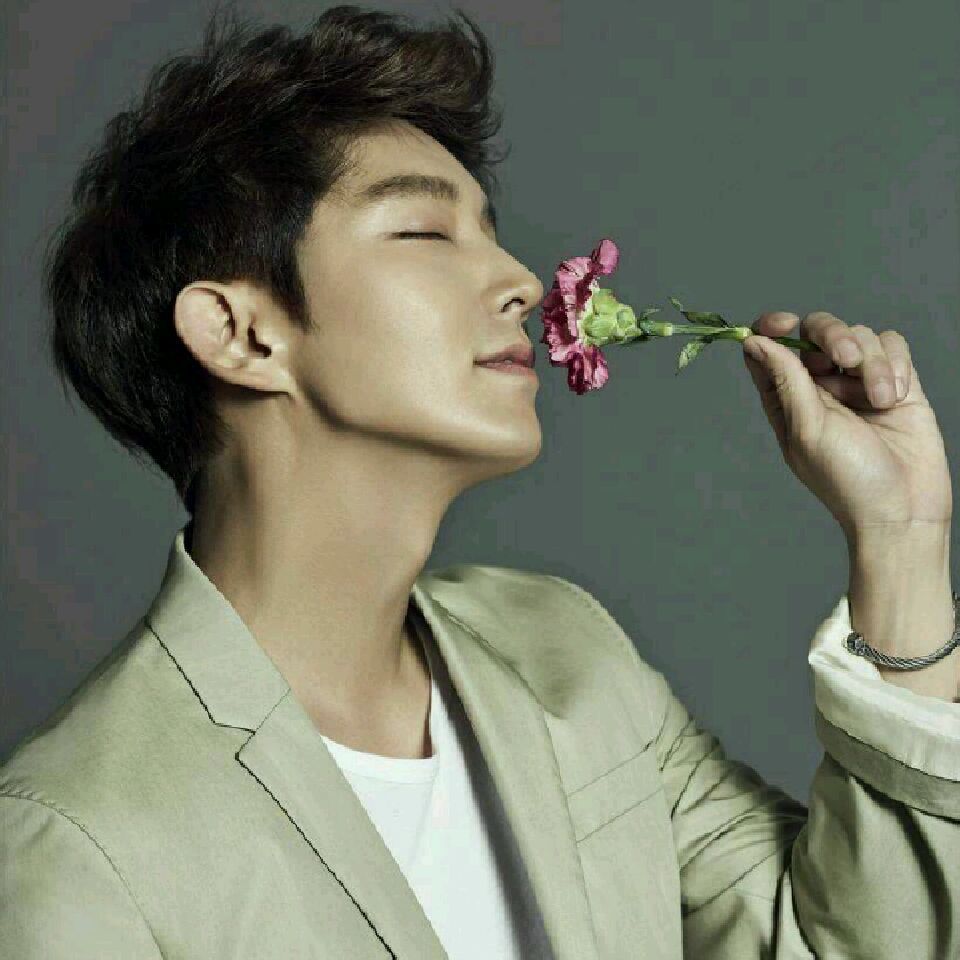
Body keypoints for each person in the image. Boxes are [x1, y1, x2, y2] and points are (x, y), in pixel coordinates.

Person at [2, 4, 958, 958]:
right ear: (241, 334)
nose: (523, 281)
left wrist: (902, 539)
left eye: (490, 232)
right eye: (425, 232)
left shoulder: (564, 655)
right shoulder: (79, 843)